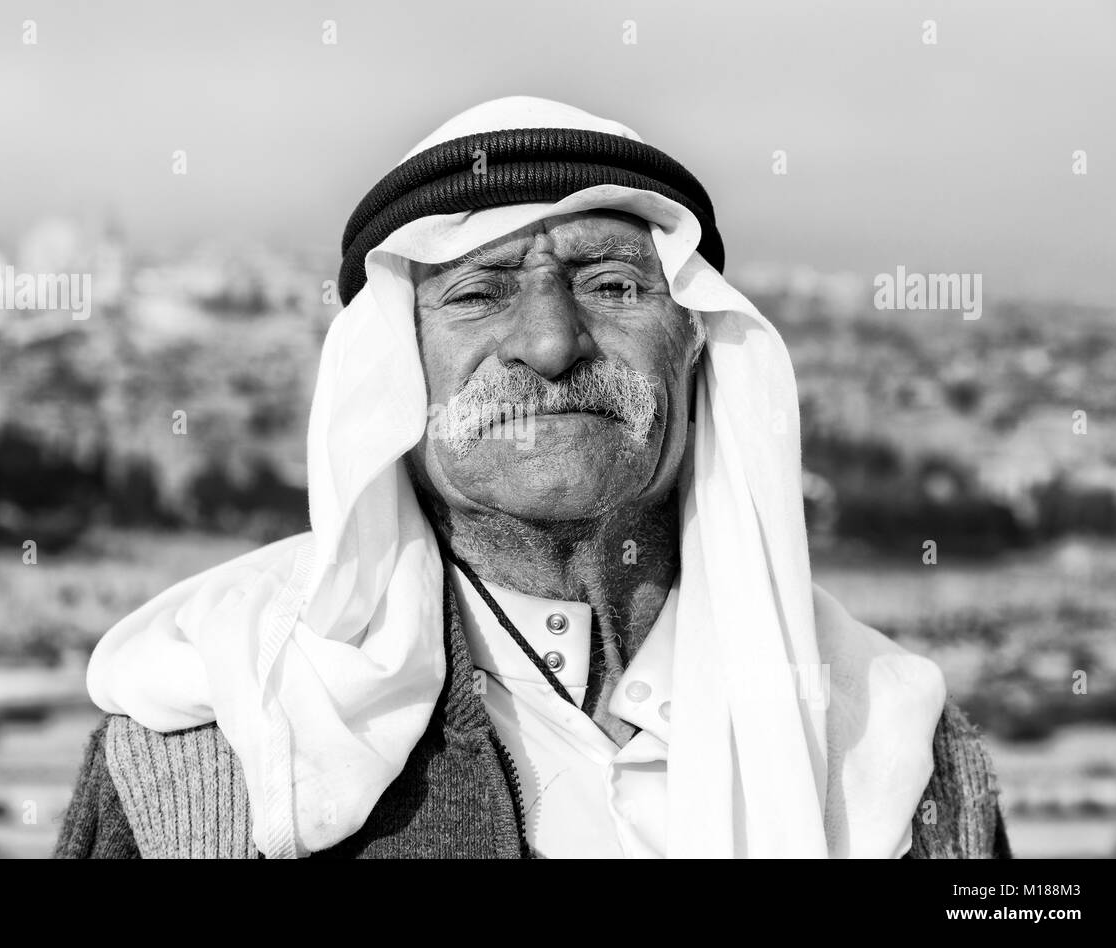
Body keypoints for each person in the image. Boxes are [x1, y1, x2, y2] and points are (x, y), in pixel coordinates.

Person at [55, 96, 1009, 859]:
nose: (552, 343)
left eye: (613, 284)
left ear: (693, 346)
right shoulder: (218, 753)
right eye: (478, 293)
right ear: (395, 372)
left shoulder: (897, 747)